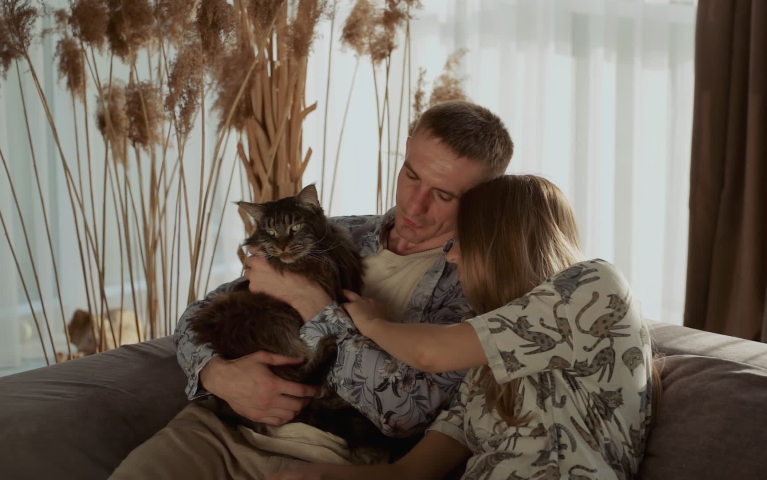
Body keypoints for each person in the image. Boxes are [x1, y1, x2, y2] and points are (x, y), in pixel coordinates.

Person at [109, 101, 515, 479]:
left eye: (443, 195)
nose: (415, 205)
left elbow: (409, 413)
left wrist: (312, 304)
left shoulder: (476, 287)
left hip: (327, 458)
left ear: (483, 199)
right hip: (213, 430)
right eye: (411, 175)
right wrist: (216, 374)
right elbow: (197, 316)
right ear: (405, 151)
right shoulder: (333, 231)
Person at [269, 175, 658, 480]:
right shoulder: (484, 363)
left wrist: (368, 321)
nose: (451, 256)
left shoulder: (596, 287)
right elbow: (409, 473)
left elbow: (429, 353)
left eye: (462, 241)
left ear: (501, 242)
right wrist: (321, 475)